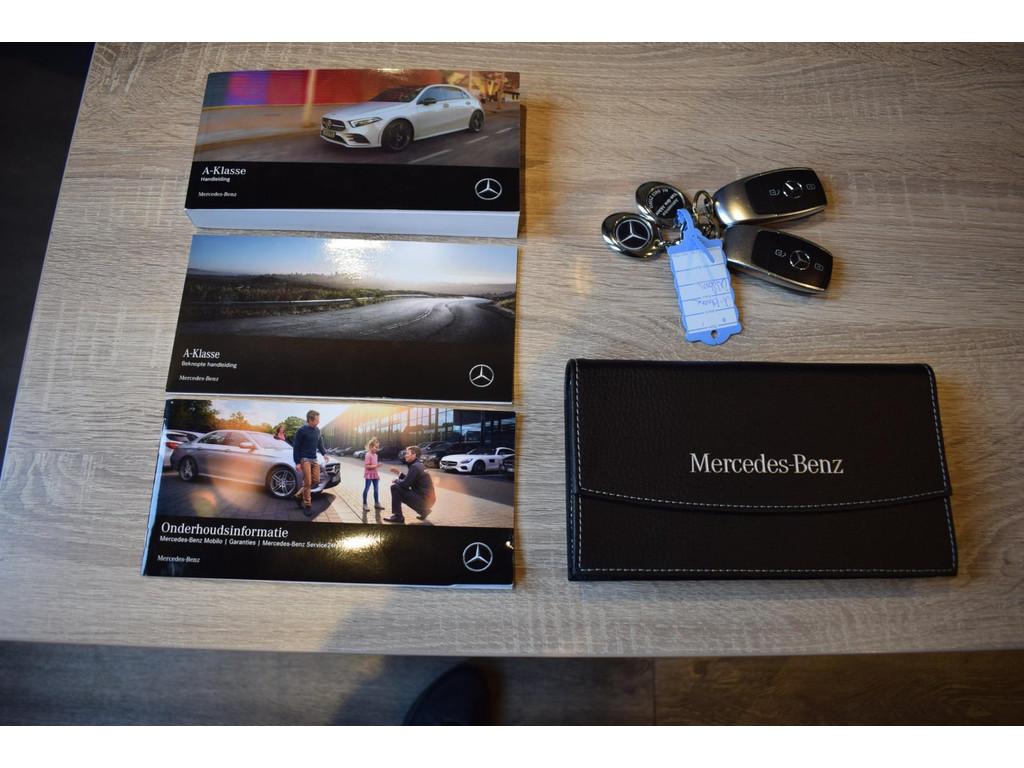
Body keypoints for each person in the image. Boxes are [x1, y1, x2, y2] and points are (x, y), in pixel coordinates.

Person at [385, 445, 435, 523]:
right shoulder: (418, 465)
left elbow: (405, 484)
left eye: (407, 453)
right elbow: (410, 480)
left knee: (395, 487)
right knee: (401, 492)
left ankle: (398, 516)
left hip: (424, 500)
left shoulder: (415, 467)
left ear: (414, 455)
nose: (405, 455)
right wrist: (399, 473)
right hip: (428, 500)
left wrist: (396, 480)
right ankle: (424, 511)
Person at [292, 410, 328, 514]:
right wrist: (297, 462)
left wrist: (324, 454)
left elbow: (320, 444)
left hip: (314, 459)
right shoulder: (301, 431)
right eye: (317, 420)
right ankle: (308, 505)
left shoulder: (317, 430)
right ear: (311, 420)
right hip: (305, 459)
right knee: (307, 482)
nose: (319, 421)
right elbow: (296, 447)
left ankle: (298, 495)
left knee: (316, 480)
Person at [362, 437, 384, 513]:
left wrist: (377, 474)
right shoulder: (368, 455)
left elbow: (375, 467)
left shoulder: (376, 455)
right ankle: (365, 504)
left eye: (378, 447)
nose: (377, 449)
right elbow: (367, 466)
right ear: (371, 446)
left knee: (376, 489)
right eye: (376, 447)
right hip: (368, 475)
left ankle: (377, 503)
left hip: (375, 475)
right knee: (367, 489)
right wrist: (377, 465)